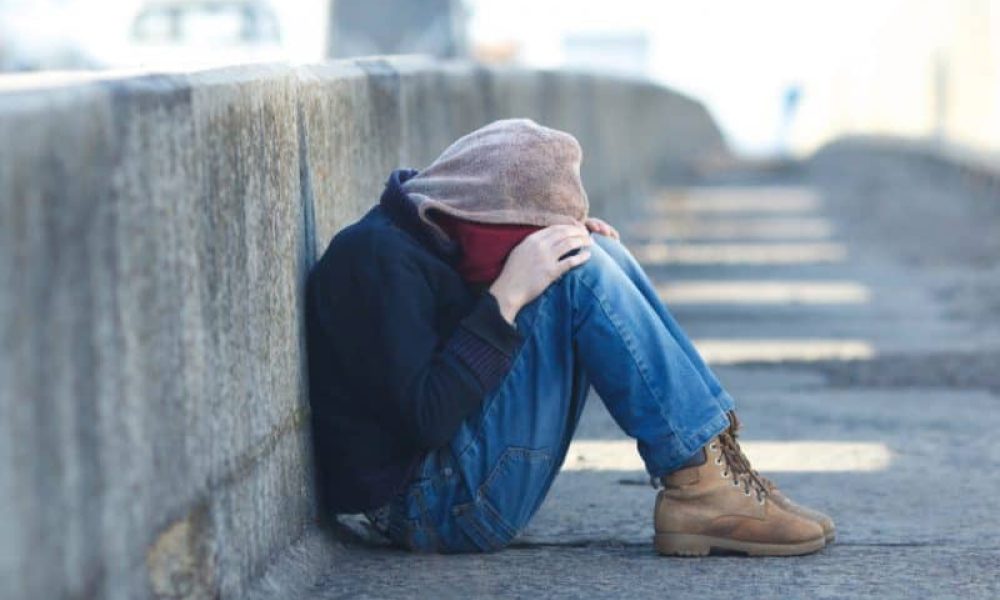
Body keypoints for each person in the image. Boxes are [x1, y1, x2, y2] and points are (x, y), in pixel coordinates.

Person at [306, 118, 835, 557]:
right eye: (521, 239)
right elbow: (426, 418)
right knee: (578, 276)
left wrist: (564, 240)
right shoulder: (375, 260)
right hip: (431, 506)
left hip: (455, 477)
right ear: (480, 218)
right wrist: (505, 298)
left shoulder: (438, 233)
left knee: (594, 254)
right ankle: (697, 486)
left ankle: (714, 465)